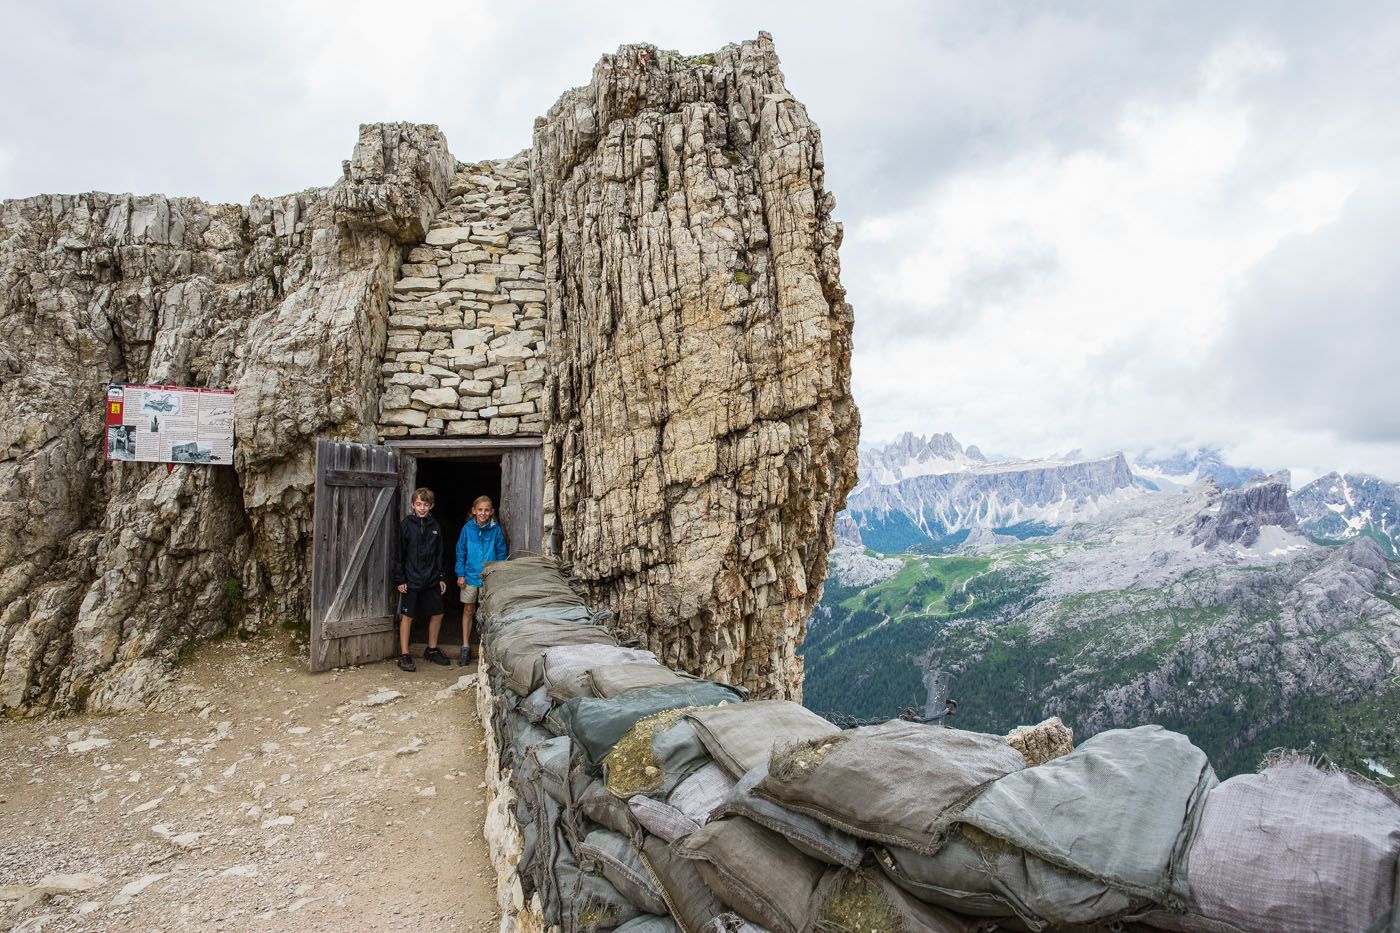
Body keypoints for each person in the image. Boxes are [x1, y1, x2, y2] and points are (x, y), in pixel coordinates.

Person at [393, 487, 450, 671]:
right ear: (412, 505)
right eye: (419, 504)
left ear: (431, 506)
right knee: (408, 615)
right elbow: (398, 554)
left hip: (431, 577)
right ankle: (404, 654)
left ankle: (431, 650)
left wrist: (441, 575)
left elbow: (440, 553)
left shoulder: (435, 526)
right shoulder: (406, 525)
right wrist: (400, 579)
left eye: (426, 505)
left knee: (438, 612)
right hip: (411, 578)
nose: (422, 508)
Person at [455, 495, 507, 665]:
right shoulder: (467, 529)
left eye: (486, 510)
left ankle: (486, 648)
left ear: (491, 512)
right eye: (480, 510)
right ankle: (465, 646)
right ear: (474, 511)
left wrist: (499, 574)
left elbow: (501, 553)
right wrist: (460, 574)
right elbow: (460, 551)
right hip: (470, 576)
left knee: (487, 612)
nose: (483, 513)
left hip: (489, 576)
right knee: (468, 609)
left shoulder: (495, 530)